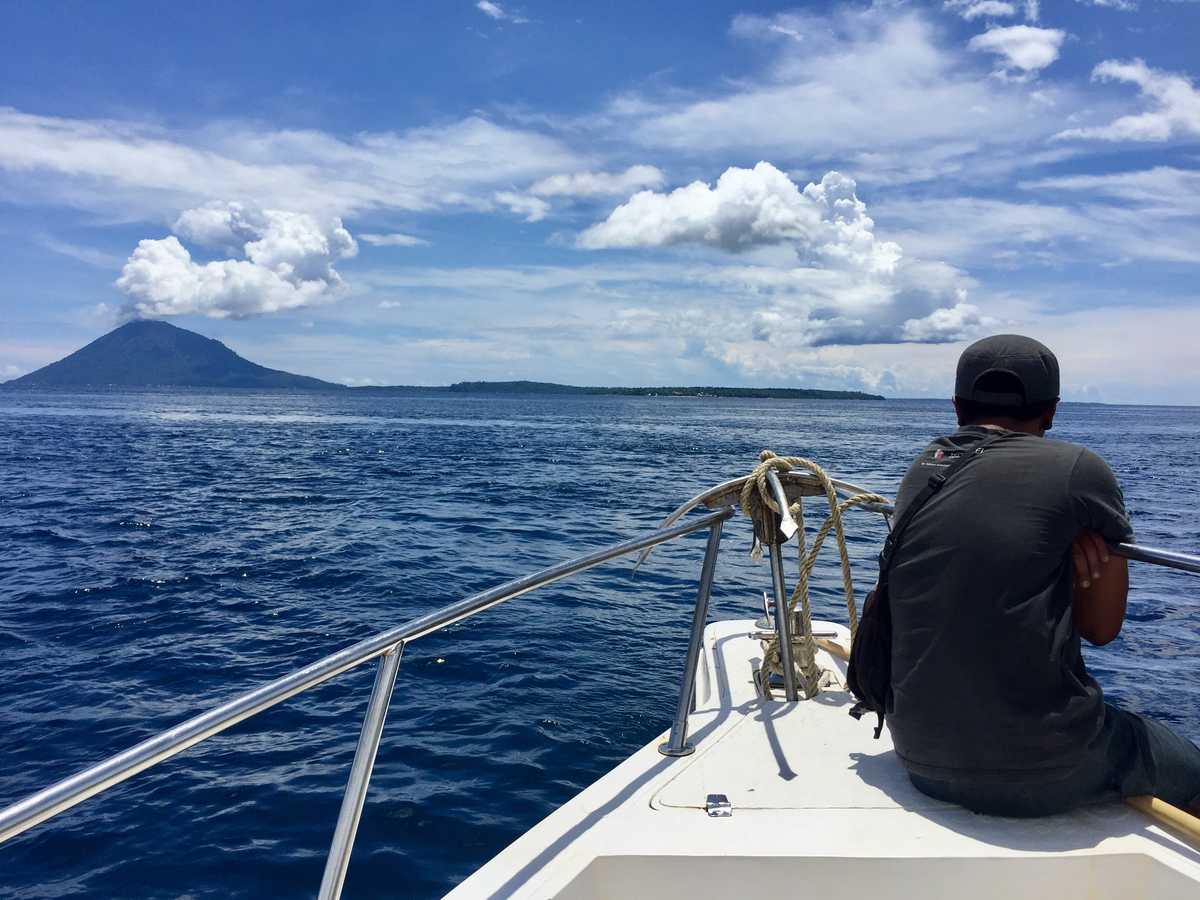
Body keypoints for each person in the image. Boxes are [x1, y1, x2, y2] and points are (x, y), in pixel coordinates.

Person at [886, 334, 1200, 817]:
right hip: (1042, 766)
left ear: (956, 406)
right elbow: (1101, 629)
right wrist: (1094, 560)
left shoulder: (925, 469)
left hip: (917, 753)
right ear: (1051, 411)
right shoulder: (1077, 469)